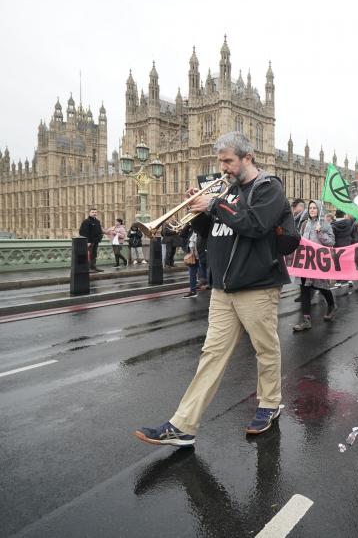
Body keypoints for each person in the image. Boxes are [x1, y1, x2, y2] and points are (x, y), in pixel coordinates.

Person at [134, 131, 291, 446]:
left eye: (228, 161)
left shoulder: (268, 188)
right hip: (222, 289)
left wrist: (215, 204)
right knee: (211, 355)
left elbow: (256, 224)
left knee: (265, 349)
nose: (223, 168)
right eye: (220, 161)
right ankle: (183, 425)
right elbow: (214, 231)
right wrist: (199, 212)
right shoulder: (228, 191)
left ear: (247, 157)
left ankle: (270, 403)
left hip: (257, 286)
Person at [292, 200, 337, 331]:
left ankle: (332, 305)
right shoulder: (304, 224)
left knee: (322, 287)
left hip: (318, 262)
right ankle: (306, 320)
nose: (312, 210)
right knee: (304, 289)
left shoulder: (325, 225)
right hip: (305, 262)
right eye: (310, 208)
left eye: (314, 208)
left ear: (319, 209)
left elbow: (331, 242)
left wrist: (320, 233)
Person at [79, 207, 104, 272]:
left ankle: (93, 267)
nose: (94, 213)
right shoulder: (86, 221)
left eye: (95, 212)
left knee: (94, 255)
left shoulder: (97, 221)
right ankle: (88, 268)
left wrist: (100, 237)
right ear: (89, 213)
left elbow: (99, 230)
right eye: (92, 212)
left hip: (96, 241)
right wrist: (88, 241)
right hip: (90, 242)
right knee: (89, 255)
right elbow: (83, 232)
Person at [182, 229, 199, 299]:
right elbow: (182, 234)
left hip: (203, 256)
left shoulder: (203, 229)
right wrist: (187, 225)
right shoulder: (191, 230)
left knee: (206, 275)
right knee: (192, 274)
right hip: (193, 256)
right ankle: (193, 291)